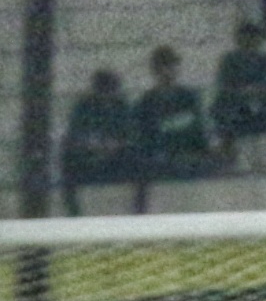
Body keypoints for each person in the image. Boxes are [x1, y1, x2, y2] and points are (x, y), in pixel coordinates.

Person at [132, 46, 216, 212]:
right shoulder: (147, 101)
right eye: (164, 66)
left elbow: (198, 130)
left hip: (189, 154)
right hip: (162, 158)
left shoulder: (189, 97)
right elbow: (146, 135)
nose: (169, 71)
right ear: (155, 71)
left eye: (172, 66)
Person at [212, 22, 266, 170]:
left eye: (253, 38)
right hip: (238, 107)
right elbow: (224, 87)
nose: (249, 42)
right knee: (221, 111)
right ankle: (226, 160)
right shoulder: (229, 60)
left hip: (262, 108)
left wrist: (259, 92)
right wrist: (243, 92)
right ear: (238, 39)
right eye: (245, 38)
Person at [61, 70, 139, 214]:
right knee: (68, 160)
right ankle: (74, 212)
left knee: (139, 159)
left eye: (110, 91)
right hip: (90, 160)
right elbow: (74, 135)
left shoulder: (121, 107)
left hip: (116, 161)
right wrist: (90, 144)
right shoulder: (84, 107)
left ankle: (138, 210)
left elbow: (132, 135)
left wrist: (117, 144)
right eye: (103, 91)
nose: (107, 96)